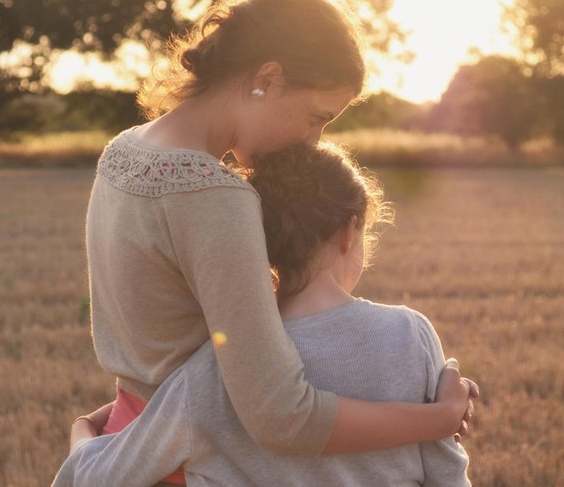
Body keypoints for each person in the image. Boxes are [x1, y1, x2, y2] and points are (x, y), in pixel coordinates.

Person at [72, 0, 477, 485]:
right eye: (316, 116)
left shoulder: (124, 151)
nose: (313, 141)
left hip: (129, 441)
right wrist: (437, 420)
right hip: (189, 465)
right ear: (267, 77)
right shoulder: (213, 196)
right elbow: (282, 416)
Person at [54, 142, 472, 486]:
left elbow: (97, 479)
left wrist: (83, 431)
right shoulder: (410, 334)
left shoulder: (214, 366)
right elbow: (447, 473)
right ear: (350, 230)